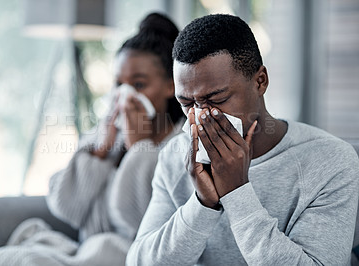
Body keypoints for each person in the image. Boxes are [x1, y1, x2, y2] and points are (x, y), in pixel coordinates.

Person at [126, 14, 359, 265]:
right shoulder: (177, 155)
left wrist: (237, 192)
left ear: (260, 81)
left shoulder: (331, 161)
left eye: (216, 100)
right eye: (187, 103)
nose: (201, 116)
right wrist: (203, 204)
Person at [0, 12, 184, 266]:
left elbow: (148, 227)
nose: (125, 95)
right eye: (118, 84)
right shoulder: (107, 136)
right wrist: (99, 153)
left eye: (138, 85)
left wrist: (139, 148)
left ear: (171, 85)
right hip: (86, 254)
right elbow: (64, 206)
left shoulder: (180, 146)